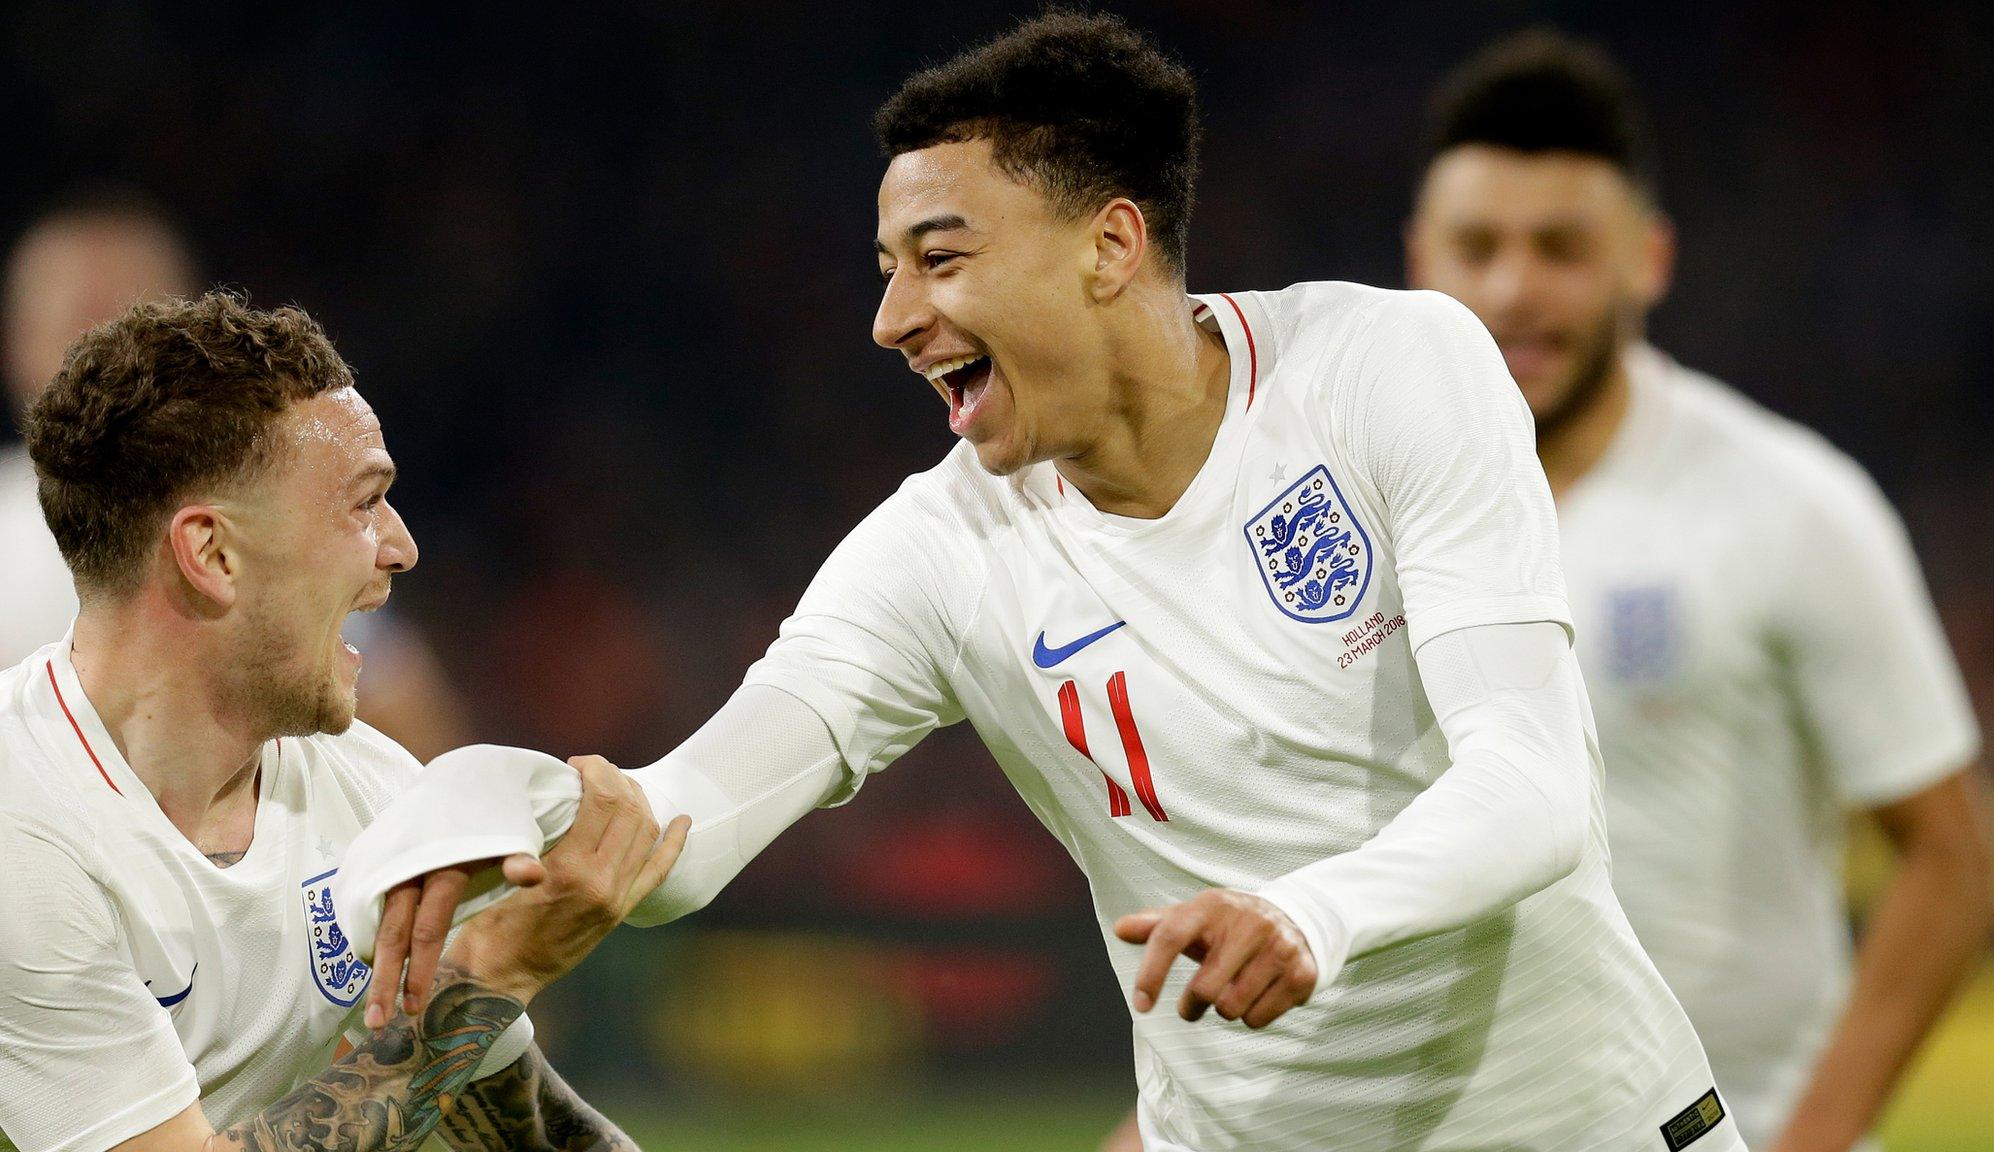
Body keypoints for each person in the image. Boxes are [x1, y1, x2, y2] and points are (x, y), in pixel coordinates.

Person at [348, 14, 1744, 1150]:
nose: (893, 320)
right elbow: (686, 824)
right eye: (887, 271)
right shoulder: (942, 549)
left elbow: (1533, 788)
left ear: (1110, 246)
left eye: (940, 258)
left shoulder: (1388, 372)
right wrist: (516, 798)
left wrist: (1311, 913)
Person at [1402, 32, 1994, 1152]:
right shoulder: (1359, 524)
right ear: (1417, 261)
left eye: (1561, 248)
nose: (1512, 288)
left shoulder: (1791, 505)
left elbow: (1950, 862)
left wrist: (1810, 1136)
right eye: (1476, 245)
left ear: (1648, 260)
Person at [0, 292, 687, 1152]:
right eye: (363, 504)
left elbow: (540, 1137)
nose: (400, 546)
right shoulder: (21, 828)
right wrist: (490, 973)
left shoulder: (369, 787)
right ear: (212, 554)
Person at [0, 190, 474, 758]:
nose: (103, 356)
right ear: (17, 343)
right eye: (79, 322)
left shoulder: (275, 510)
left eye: (132, 323)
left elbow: (408, 718)